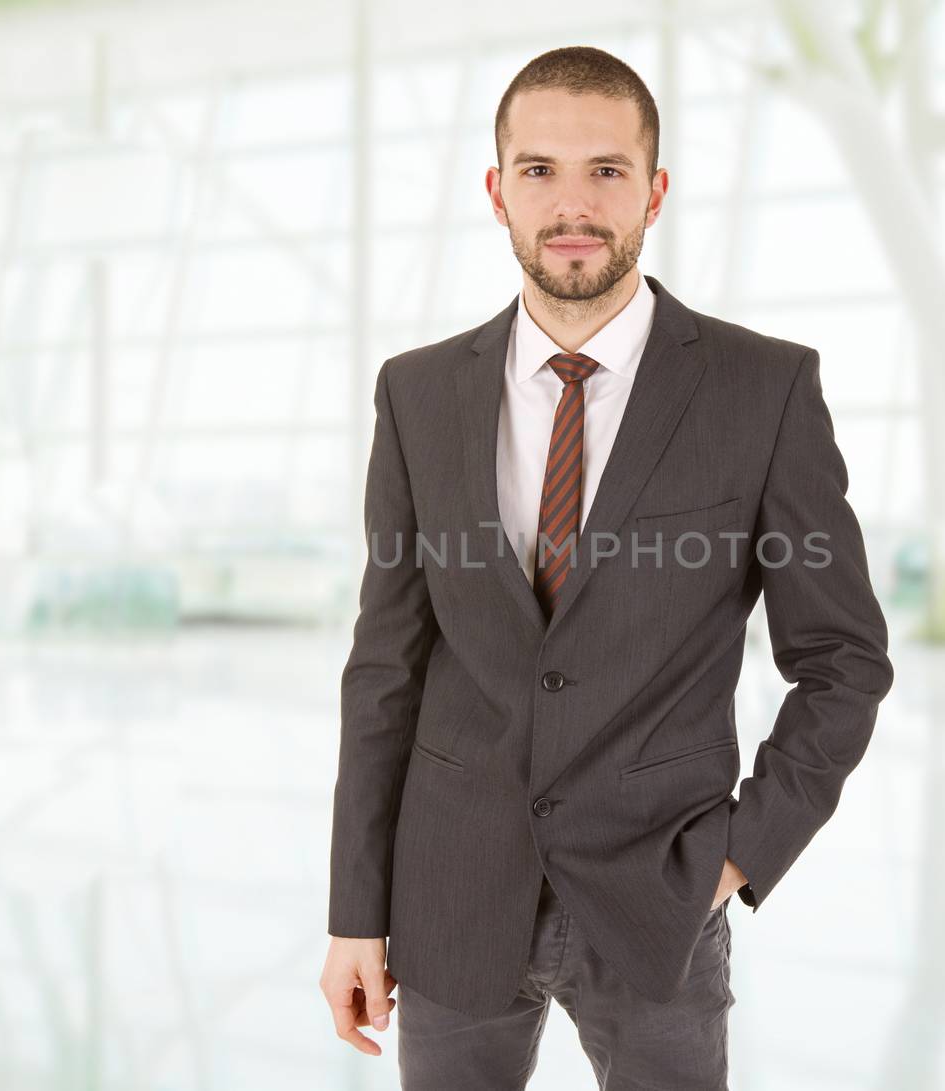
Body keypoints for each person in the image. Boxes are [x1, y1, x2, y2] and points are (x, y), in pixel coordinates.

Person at [319, 44, 893, 1090]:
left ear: (655, 190)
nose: (571, 204)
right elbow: (384, 667)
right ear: (497, 192)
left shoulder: (760, 390)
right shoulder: (416, 395)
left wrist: (735, 855)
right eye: (538, 170)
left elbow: (843, 661)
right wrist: (354, 910)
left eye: (606, 171)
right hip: (448, 901)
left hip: (660, 906)